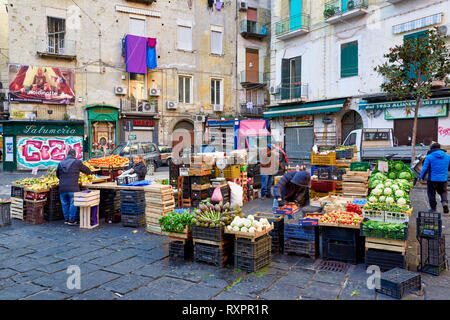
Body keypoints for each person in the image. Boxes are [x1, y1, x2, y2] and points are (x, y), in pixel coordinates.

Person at [56, 149, 92, 225]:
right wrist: (90, 173)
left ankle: (66, 219)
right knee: (73, 203)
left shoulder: (61, 163)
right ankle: (71, 220)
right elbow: (87, 170)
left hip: (62, 188)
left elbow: (57, 175)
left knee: (65, 204)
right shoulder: (77, 162)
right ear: (74, 155)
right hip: (73, 188)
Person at [420, 142, 450, 213]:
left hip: (432, 179)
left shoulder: (429, 157)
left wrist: (421, 177)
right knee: (443, 192)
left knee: (431, 193)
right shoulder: (448, 156)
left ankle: (433, 209)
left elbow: (424, 168)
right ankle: (444, 203)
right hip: (443, 179)